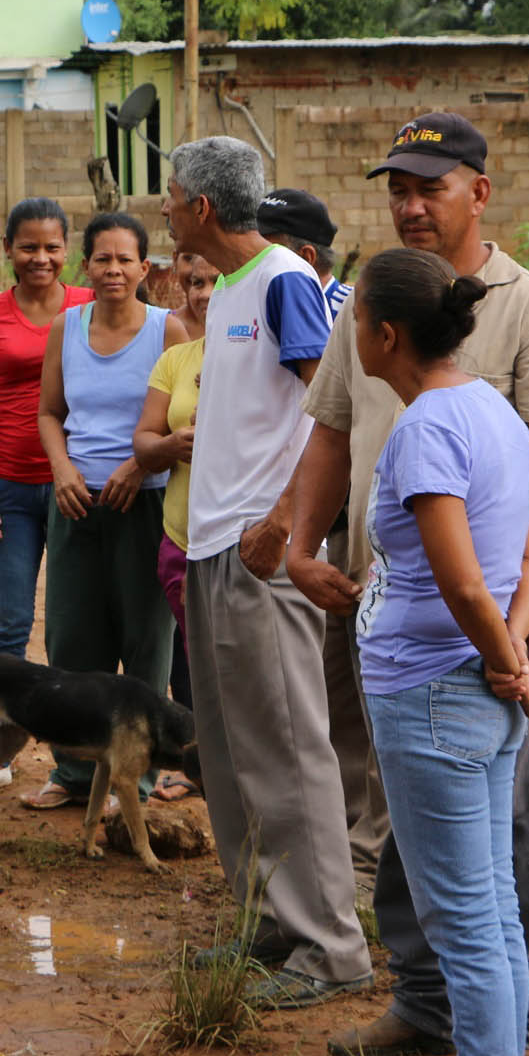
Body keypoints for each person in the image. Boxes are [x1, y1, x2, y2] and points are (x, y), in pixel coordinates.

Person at [286, 112, 529, 1056]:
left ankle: (517, 1030)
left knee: (507, 852)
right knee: (425, 843)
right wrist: (299, 543)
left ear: (479, 193)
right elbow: (330, 432)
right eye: (399, 190)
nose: (412, 206)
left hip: (466, 648)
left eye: (431, 188)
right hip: (412, 620)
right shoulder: (394, 322)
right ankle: (429, 1006)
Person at [348, 247, 529, 1056]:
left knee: (465, 924)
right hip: (475, 689)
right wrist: (509, 657)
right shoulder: (493, 411)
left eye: (357, 316)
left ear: (387, 334)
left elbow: (466, 585)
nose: (351, 330)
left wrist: (506, 663)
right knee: (494, 911)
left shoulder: (428, 428)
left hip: (435, 695)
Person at [164, 135, 371, 1010]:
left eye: (172, 196)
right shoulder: (233, 292)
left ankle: (330, 947)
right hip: (214, 549)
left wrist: (287, 523)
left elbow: (334, 408)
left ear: (202, 209)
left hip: (261, 558)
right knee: (234, 750)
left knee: (287, 751)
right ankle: (272, 921)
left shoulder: (283, 279)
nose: (165, 209)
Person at [26, 212, 186, 810]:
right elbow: (49, 413)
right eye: (102, 259)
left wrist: (140, 465)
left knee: (145, 642)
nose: (113, 269)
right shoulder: (67, 327)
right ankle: (71, 773)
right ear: (84, 267)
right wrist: (63, 471)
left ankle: (135, 778)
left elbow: (181, 418)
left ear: (147, 267)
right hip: (75, 502)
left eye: (126, 259)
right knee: (73, 642)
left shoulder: (167, 332)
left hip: (144, 503)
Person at [258, 186, 386, 890]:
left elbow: (325, 430)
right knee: (336, 693)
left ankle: (366, 857)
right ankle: (344, 843)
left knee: (365, 698)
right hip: (329, 535)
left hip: (352, 534)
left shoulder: (344, 317)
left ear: (305, 256)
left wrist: (289, 520)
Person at [0, 199, 93, 661]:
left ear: (67, 248)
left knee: (73, 627)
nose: (41, 258)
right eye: (28, 247)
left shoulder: (90, 306)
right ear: (6, 248)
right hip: (9, 489)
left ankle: (70, 733)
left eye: (52, 247)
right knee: (10, 627)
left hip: (76, 487)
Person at [133, 254, 217, 734]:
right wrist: (169, 444)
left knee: (244, 673)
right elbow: (144, 442)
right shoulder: (177, 360)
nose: (204, 293)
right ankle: (202, 770)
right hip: (181, 539)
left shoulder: (265, 355)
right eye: (196, 282)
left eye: (216, 282)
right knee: (195, 667)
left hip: (239, 541)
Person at [259, 187, 351, 318]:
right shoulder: (264, 309)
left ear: (306, 258)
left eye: (266, 253)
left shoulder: (352, 312)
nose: (254, 261)